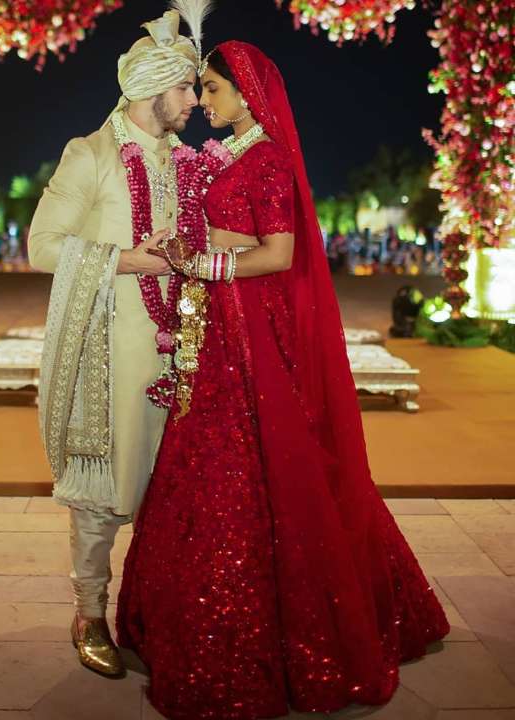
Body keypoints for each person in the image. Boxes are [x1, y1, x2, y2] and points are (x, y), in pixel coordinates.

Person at [115, 39, 448, 719]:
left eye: (211, 89)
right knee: (217, 463)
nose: (202, 100)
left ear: (246, 92)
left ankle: (269, 636)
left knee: (257, 462)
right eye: (201, 90)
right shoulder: (236, 153)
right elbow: (235, 233)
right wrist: (199, 245)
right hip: (223, 328)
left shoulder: (265, 159)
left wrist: (207, 265)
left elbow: (281, 252)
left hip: (247, 330)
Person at [27, 9, 196, 679]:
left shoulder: (189, 164)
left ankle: (154, 612)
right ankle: (90, 611)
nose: (193, 102)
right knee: (104, 488)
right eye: (185, 88)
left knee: (176, 488)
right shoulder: (90, 154)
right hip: (108, 349)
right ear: (154, 87)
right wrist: (130, 261)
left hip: (180, 348)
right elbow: (41, 246)